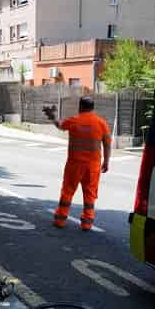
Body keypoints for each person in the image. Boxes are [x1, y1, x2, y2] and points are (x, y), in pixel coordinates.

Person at [45, 96, 111, 231]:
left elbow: (60, 125)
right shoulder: (101, 123)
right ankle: (87, 223)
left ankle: (60, 220)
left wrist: (52, 116)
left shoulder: (74, 121)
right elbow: (107, 144)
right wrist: (107, 161)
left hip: (74, 164)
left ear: (80, 107)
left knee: (68, 191)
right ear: (92, 108)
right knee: (90, 194)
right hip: (93, 166)